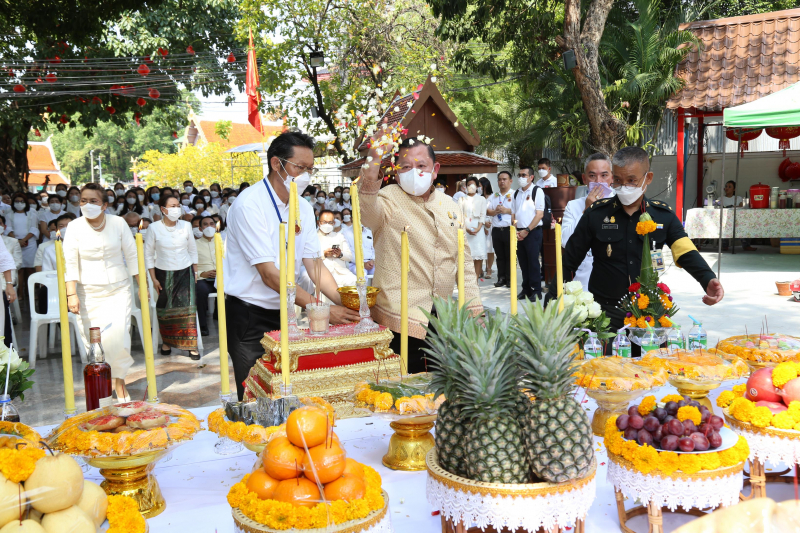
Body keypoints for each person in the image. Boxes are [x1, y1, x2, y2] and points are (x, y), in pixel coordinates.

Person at [547, 146, 724, 355]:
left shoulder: (662, 215)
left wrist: (707, 279)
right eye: (619, 181)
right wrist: (552, 299)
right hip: (605, 314)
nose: (624, 187)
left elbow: (685, 251)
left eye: (631, 180)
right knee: (606, 376)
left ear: (647, 178)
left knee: (653, 375)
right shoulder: (596, 214)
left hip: (649, 314)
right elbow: (570, 260)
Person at [225, 131, 360, 399]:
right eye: (300, 167)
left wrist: (343, 300)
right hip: (249, 314)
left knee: (288, 392)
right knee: (258, 396)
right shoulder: (249, 204)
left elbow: (313, 263)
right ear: (277, 164)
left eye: (311, 168)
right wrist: (319, 308)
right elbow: (269, 275)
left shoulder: (303, 206)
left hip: (286, 311)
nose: (307, 175)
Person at [358, 135, 482, 373]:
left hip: (443, 320)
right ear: (396, 173)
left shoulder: (450, 206)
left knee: (439, 393)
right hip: (399, 319)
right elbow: (366, 210)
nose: (414, 172)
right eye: (405, 167)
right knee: (402, 393)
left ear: (435, 170)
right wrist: (374, 158)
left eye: (421, 166)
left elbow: (465, 266)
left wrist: (475, 312)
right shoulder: (387, 199)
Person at [64, 183, 139, 402]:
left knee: (119, 338)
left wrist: (141, 284)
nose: (87, 205)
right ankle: (101, 388)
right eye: (83, 201)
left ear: (105, 205)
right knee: (96, 344)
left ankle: (120, 385)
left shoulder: (118, 223)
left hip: (118, 288)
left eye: (93, 201)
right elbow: (70, 262)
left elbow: (132, 254)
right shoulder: (75, 227)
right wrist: (71, 294)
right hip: (88, 292)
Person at [144, 195, 200, 360]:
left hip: (185, 270)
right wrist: (153, 278)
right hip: (163, 272)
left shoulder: (186, 225)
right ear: (163, 209)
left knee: (188, 308)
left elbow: (192, 250)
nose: (176, 209)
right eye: (172, 206)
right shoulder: (154, 228)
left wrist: (195, 272)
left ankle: (191, 346)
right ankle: (167, 342)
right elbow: (148, 255)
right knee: (166, 309)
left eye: (178, 205)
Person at [561, 153, 614, 291]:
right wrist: (586, 210)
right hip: (583, 283)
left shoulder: (622, 204)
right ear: (584, 179)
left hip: (614, 280)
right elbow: (565, 241)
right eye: (592, 176)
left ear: (612, 178)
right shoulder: (573, 206)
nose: (598, 181)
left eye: (604, 175)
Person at [513, 166, 545, 300]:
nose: (521, 178)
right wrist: (515, 230)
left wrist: (526, 230)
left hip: (532, 232)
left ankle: (536, 291)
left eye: (524, 175)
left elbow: (539, 214)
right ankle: (526, 289)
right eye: (519, 175)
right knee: (523, 263)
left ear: (531, 177)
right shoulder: (516, 193)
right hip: (519, 233)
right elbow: (513, 213)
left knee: (533, 262)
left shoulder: (537, 191)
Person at [7, 192, 39, 300]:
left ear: (25, 202)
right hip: (15, 242)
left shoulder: (32, 213)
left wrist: (24, 240)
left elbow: (34, 228)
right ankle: (20, 294)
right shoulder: (9, 213)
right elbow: (8, 229)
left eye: (22, 201)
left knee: (30, 269)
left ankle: (32, 293)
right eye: (16, 201)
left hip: (29, 243)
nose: (19, 204)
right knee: (19, 270)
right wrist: (17, 241)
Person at [486, 171, 514, 288]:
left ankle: (510, 279)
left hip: (509, 229)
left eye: (504, 179)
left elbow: (519, 211)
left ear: (510, 181)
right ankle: (501, 278)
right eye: (500, 179)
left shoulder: (515, 194)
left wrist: (506, 210)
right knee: (500, 256)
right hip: (497, 229)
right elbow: (488, 211)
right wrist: (496, 211)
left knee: (510, 255)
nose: (502, 181)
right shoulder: (494, 196)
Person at [316, 209, 357, 289]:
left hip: (341, 272)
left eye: (330, 222)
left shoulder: (339, 236)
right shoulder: (313, 237)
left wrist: (340, 254)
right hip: (322, 271)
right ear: (318, 223)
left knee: (354, 280)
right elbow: (309, 257)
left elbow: (349, 256)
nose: (327, 224)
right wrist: (324, 254)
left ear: (333, 223)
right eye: (324, 222)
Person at [458, 176, 487, 281]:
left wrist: (479, 228)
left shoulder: (482, 199)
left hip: (478, 228)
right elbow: (459, 215)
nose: (471, 186)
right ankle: (467, 281)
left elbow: (483, 215)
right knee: (466, 256)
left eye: (473, 184)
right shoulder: (462, 199)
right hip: (466, 228)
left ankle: (475, 280)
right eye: (469, 184)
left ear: (477, 186)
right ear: (466, 186)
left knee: (478, 255)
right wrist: (466, 229)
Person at [194, 215, 217, 337]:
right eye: (205, 224)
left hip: (220, 277)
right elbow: (191, 264)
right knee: (200, 290)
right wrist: (202, 273)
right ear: (200, 228)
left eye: (212, 224)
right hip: (203, 278)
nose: (209, 227)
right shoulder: (194, 244)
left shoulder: (222, 242)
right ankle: (203, 325)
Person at [340, 208, 375, 277]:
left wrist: (372, 261)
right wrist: (362, 263)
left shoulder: (369, 233)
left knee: (379, 274)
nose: (359, 220)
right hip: (354, 264)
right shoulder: (345, 234)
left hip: (371, 263)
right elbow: (348, 253)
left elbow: (374, 248)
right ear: (351, 218)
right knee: (362, 275)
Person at [721, 181, 755, 252]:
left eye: (730, 187)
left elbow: (741, 206)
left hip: (738, 219)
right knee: (724, 225)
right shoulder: (721, 198)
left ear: (734, 189)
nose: (727, 188)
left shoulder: (738, 198)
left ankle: (746, 245)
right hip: (726, 220)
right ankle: (724, 246)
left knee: (745, 225)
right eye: (726, 186)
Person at [479, 177, 495, 279]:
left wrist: (489, 223)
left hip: (491, 223)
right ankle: (479, 268)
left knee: (490, 248)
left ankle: (489, 268)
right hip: (481, 224)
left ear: (484, 186)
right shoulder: (478, 197)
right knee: (481, 247)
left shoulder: (493, 197)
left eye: (479, 185)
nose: (478, 188)